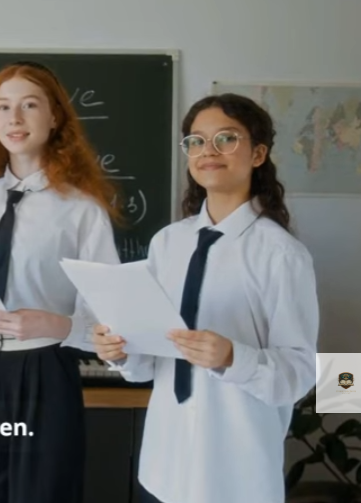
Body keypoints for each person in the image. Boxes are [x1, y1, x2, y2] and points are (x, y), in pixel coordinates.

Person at [92, 93, 319, 503]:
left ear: (258, 154)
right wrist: (121, 352)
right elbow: (150, 364)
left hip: (235, 470)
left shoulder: (281, 254)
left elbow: (299, 373)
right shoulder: (167, 244)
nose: (208, 151)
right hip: (164, 463)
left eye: (226, 138)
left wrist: (233, 357)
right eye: (196, 141)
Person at [0, 61, 122, 503]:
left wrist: (57, 325)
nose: (14, 118)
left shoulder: (82, 210)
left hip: (46, 369)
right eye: (3, 107)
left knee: (43, 492)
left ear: (54, 117)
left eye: (29, 105)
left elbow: (111, 317)